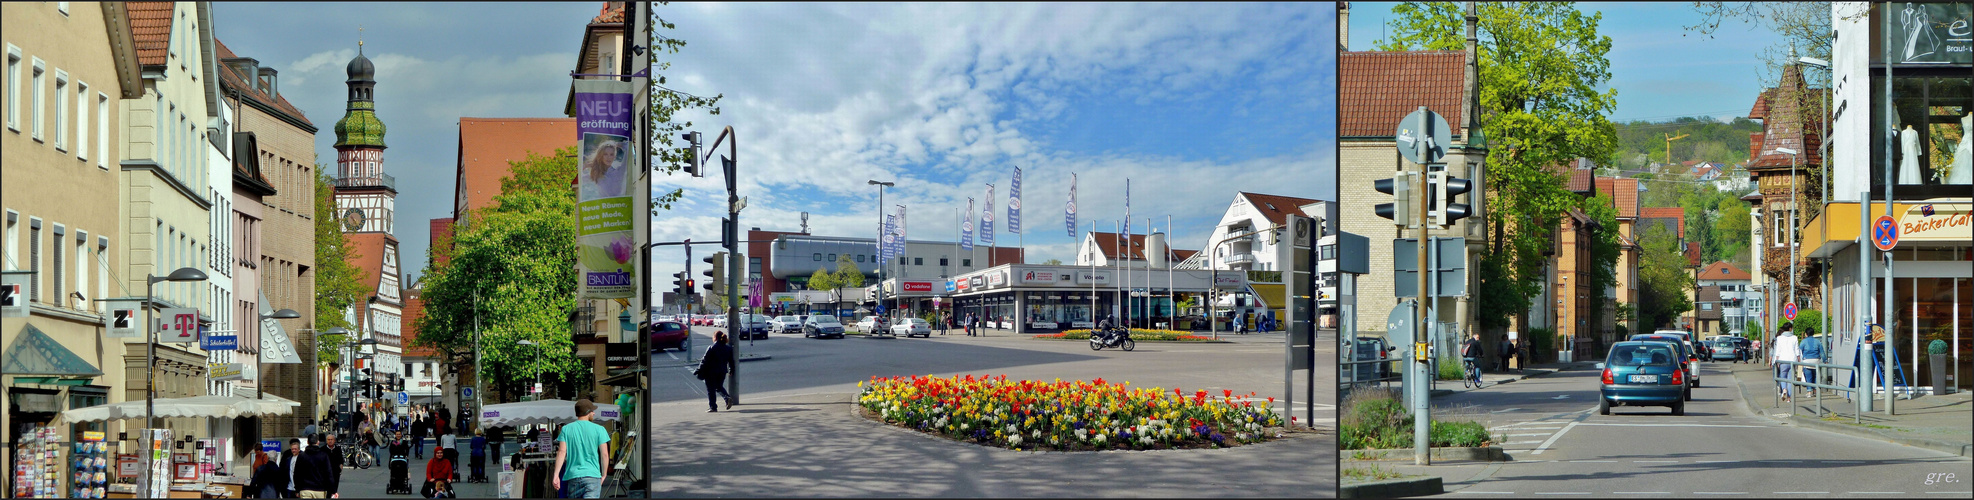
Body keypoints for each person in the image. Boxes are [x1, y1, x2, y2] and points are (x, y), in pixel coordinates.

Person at [552, 399, 613, 499]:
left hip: (573, 476)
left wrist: (556, 475)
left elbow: (562, 452)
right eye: (592, 411)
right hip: (592, 475)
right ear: (588, 412)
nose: (594, 413)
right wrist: (604, 474)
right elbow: (604, 454)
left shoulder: (566, 429)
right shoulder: (600, 429)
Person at [697, 331, 737, 412]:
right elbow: (731, 361)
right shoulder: (728, 348)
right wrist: (731, 370)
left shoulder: (711, 348)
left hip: (710, 372)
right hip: (722, 371)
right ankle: (727, 398)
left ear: (715, 337)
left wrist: (698, 370)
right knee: (718, 386)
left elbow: (704, 361)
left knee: (711, 389)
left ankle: (713, 407)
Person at [293, 434, 337, 499]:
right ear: (318, 442)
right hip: (320, 489)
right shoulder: (323, 455)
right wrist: (333, 490)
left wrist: (297, 489)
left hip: (305, 489)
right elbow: (328, 474)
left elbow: (297, 474)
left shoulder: (302, 456)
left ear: (307, 442)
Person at [1772, 322, 1801, 401]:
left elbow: (1778, 350)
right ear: (1790, 328)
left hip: (1782, 360)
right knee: (1790, 379)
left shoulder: (1779, 338)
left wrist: (1777, 361)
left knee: (1782, 377)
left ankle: (1784, 389)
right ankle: (1789, 398)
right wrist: (1799, 360)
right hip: (1792, 360)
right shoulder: (1795, 337)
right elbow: (1797, 350)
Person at [1800, 330, 1825, 395]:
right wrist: (1825, 360)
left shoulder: (1803, 341)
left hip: (1807, 361)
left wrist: (1800, 360)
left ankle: (1809, 391)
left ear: (1806, 334)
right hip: (1816, 361)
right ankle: (1815, 390)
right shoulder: (1817, 341)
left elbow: (1800, 351)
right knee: (1816, 376)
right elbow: (1822, 352)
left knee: (1808, 377)